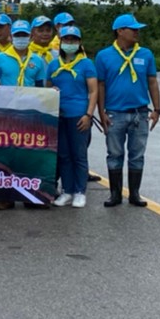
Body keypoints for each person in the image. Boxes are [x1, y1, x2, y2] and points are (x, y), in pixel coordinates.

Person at [95, 13, 160, 209]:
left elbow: (152, 82)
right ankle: (115, 194)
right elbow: (100, 85)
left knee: (137, 154)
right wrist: (101, 112)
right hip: (115, 113)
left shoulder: (145, 54)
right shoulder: (104, 56)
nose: (137, 32)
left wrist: (157, 109)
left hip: (140, 113)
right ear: (120, 31)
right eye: (133, 29)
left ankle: (134, 193)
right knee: (114, 153)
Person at [49, 26, 99, 208]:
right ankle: (67, 190)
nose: (70, 43)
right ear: (61, 42)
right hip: (59, 116)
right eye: (67, 40)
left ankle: (79, 191)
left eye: (74, 40)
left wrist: (88, 114)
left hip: (79, 115)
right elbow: (47, 88)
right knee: (63, 155)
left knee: (79, 154)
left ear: (79, 43)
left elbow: (93, 91)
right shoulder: (53, 65)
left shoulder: (86, 64)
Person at [0, 20, 47, 87]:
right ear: (11, 36)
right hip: (7, 93)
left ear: (30, 36)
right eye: (17, 35)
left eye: (24, 35)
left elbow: (39, 86)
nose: (21, 38)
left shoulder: (38, 60)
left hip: (29, 94)